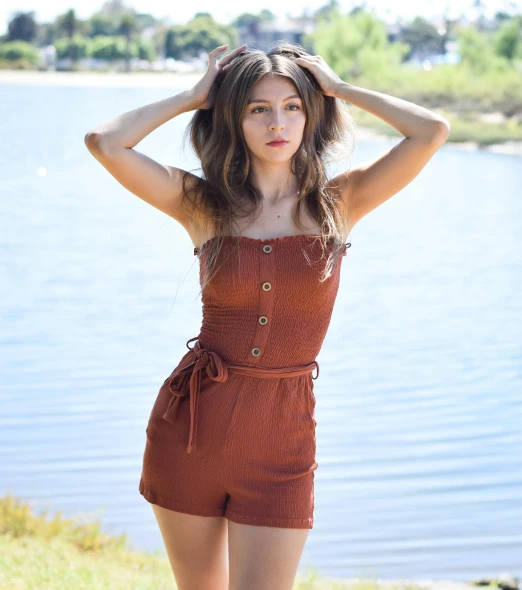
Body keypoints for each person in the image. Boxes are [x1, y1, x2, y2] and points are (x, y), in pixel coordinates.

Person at [84, 41, 450, 590]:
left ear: (310, 113)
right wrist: (192, 97)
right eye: (258, 108)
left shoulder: (340, 204)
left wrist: (340, 88)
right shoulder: (202, 204)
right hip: (191, 433)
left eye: (292, 106)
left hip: (283, 441)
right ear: (234, 118)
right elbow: (105, 143)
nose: (277, 122)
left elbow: (431, 131)